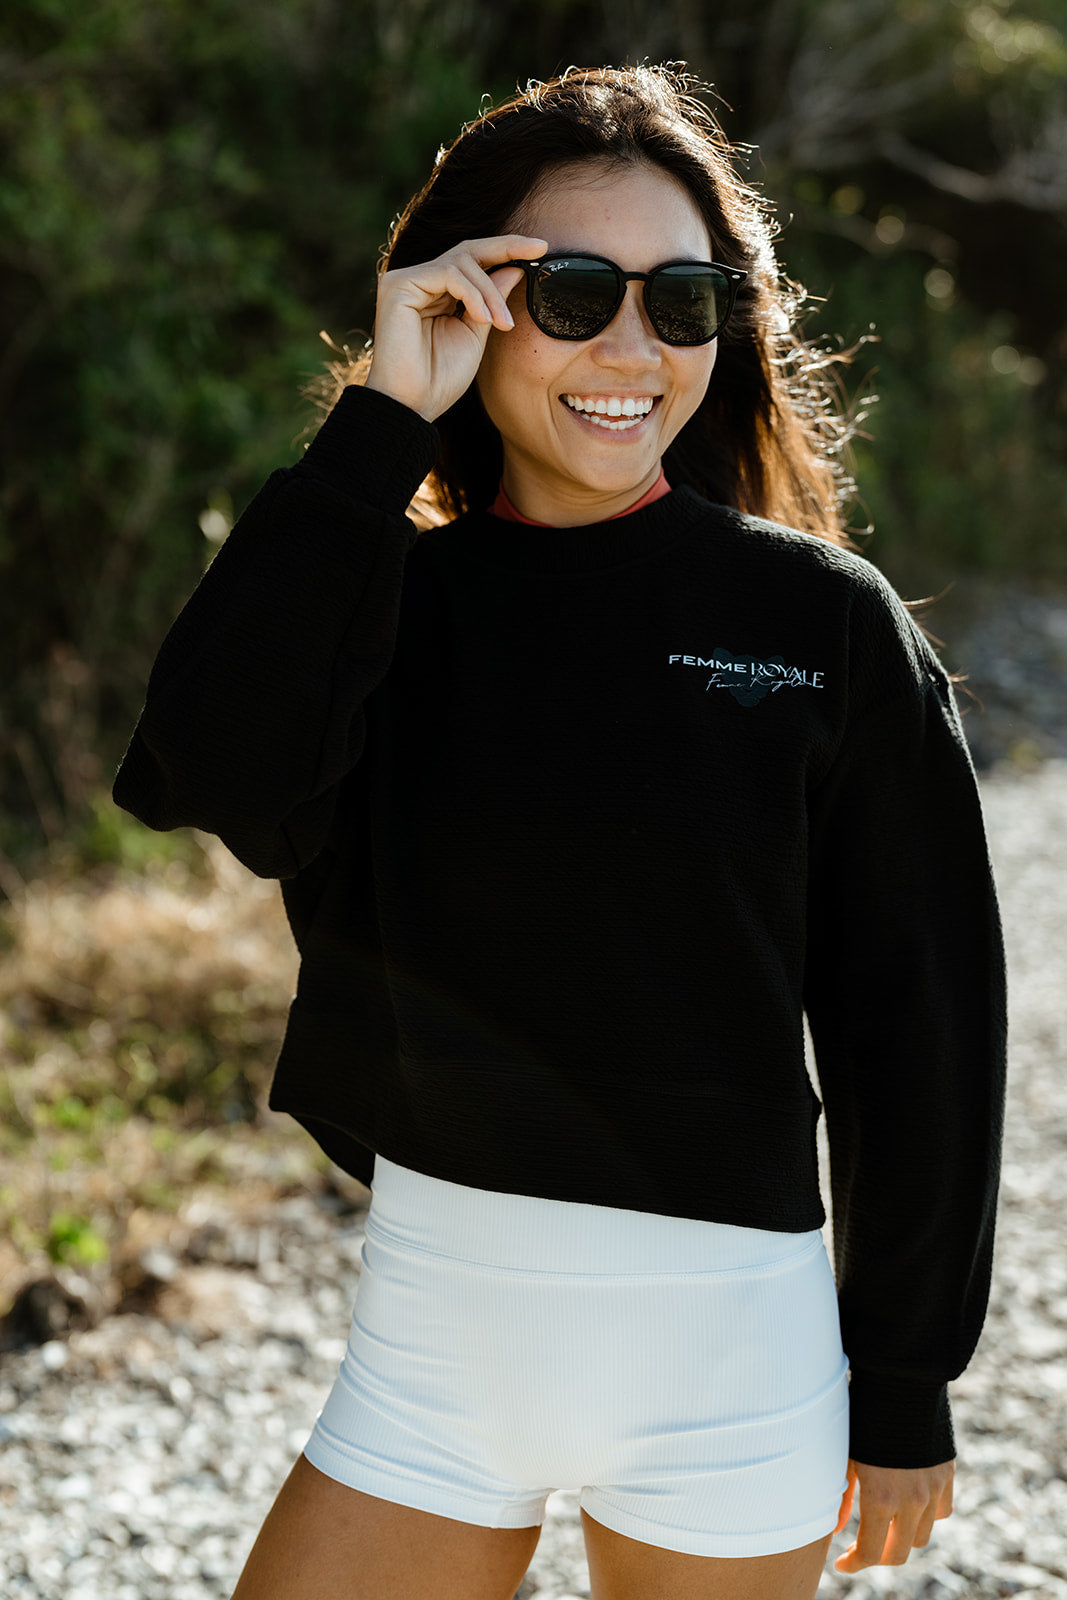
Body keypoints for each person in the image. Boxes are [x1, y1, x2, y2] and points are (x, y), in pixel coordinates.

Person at [113, 63, 1007, 1600]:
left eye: (683, 304)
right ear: (473, 304)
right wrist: (381, 421)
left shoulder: (823, 626)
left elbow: (919, 1022)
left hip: (734, 1387)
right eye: (575, 293)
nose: (632, 349)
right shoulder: (384, 604)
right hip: (429, 1370)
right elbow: (204, 772)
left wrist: (908, 1372)